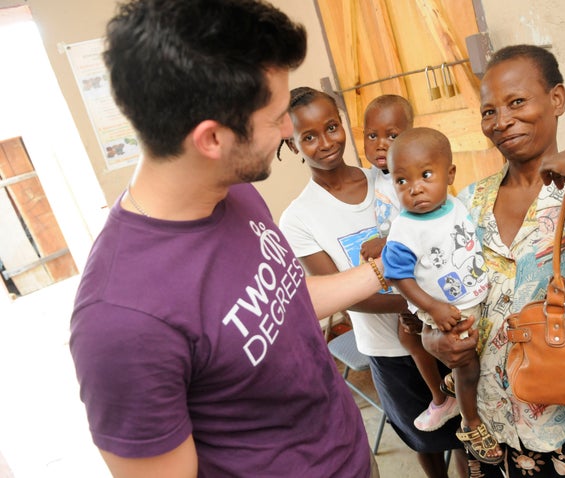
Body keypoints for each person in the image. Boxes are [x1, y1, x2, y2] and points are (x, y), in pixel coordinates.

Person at [68, 1, 388, 476]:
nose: (287, 132)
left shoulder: (233, 193)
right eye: (277, 118)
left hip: (351, 456)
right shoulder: (121, 322)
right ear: (212, 139)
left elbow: (281, 299)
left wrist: (385, 268)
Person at [421, 44, 565, 477]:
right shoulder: (467, 204)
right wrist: (433, 342)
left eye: (517, 102)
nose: (501, 121)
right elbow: (438, 302)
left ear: (556, 99)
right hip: (488, 423)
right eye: (489, 111)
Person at [278, 87, 466, 478]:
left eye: (332, 127)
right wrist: (421, 302)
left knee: (466, 433)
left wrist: (434, 305)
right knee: (423, 439)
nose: (326, 142)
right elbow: (339, 294)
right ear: (292, 143)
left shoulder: (391, 177)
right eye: (308, 137)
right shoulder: (298, 219)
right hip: (388, 347)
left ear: (344, 125)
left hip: (445, 327)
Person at [381, 126, 503, 464]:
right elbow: (396, 276)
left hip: (471, 304)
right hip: (445, 313)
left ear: (450, 174)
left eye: (426, 175)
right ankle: (470, 422)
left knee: (475, 359)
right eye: (401, 181)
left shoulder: (457, 204)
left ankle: (454, 385)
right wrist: (433, 308)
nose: (415, 188)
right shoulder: (406, 229)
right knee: (469, 368)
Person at [360, 95, 460, 434]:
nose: (380, 144)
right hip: (407, 277)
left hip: (427, 277)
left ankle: (448, 395)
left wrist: (385, 243)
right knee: (414, 338)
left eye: (391, 134)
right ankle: (445, 396)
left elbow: (430, 221)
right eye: (371, 135)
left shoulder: (412, 173)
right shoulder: (379, 177)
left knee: (423, 338)